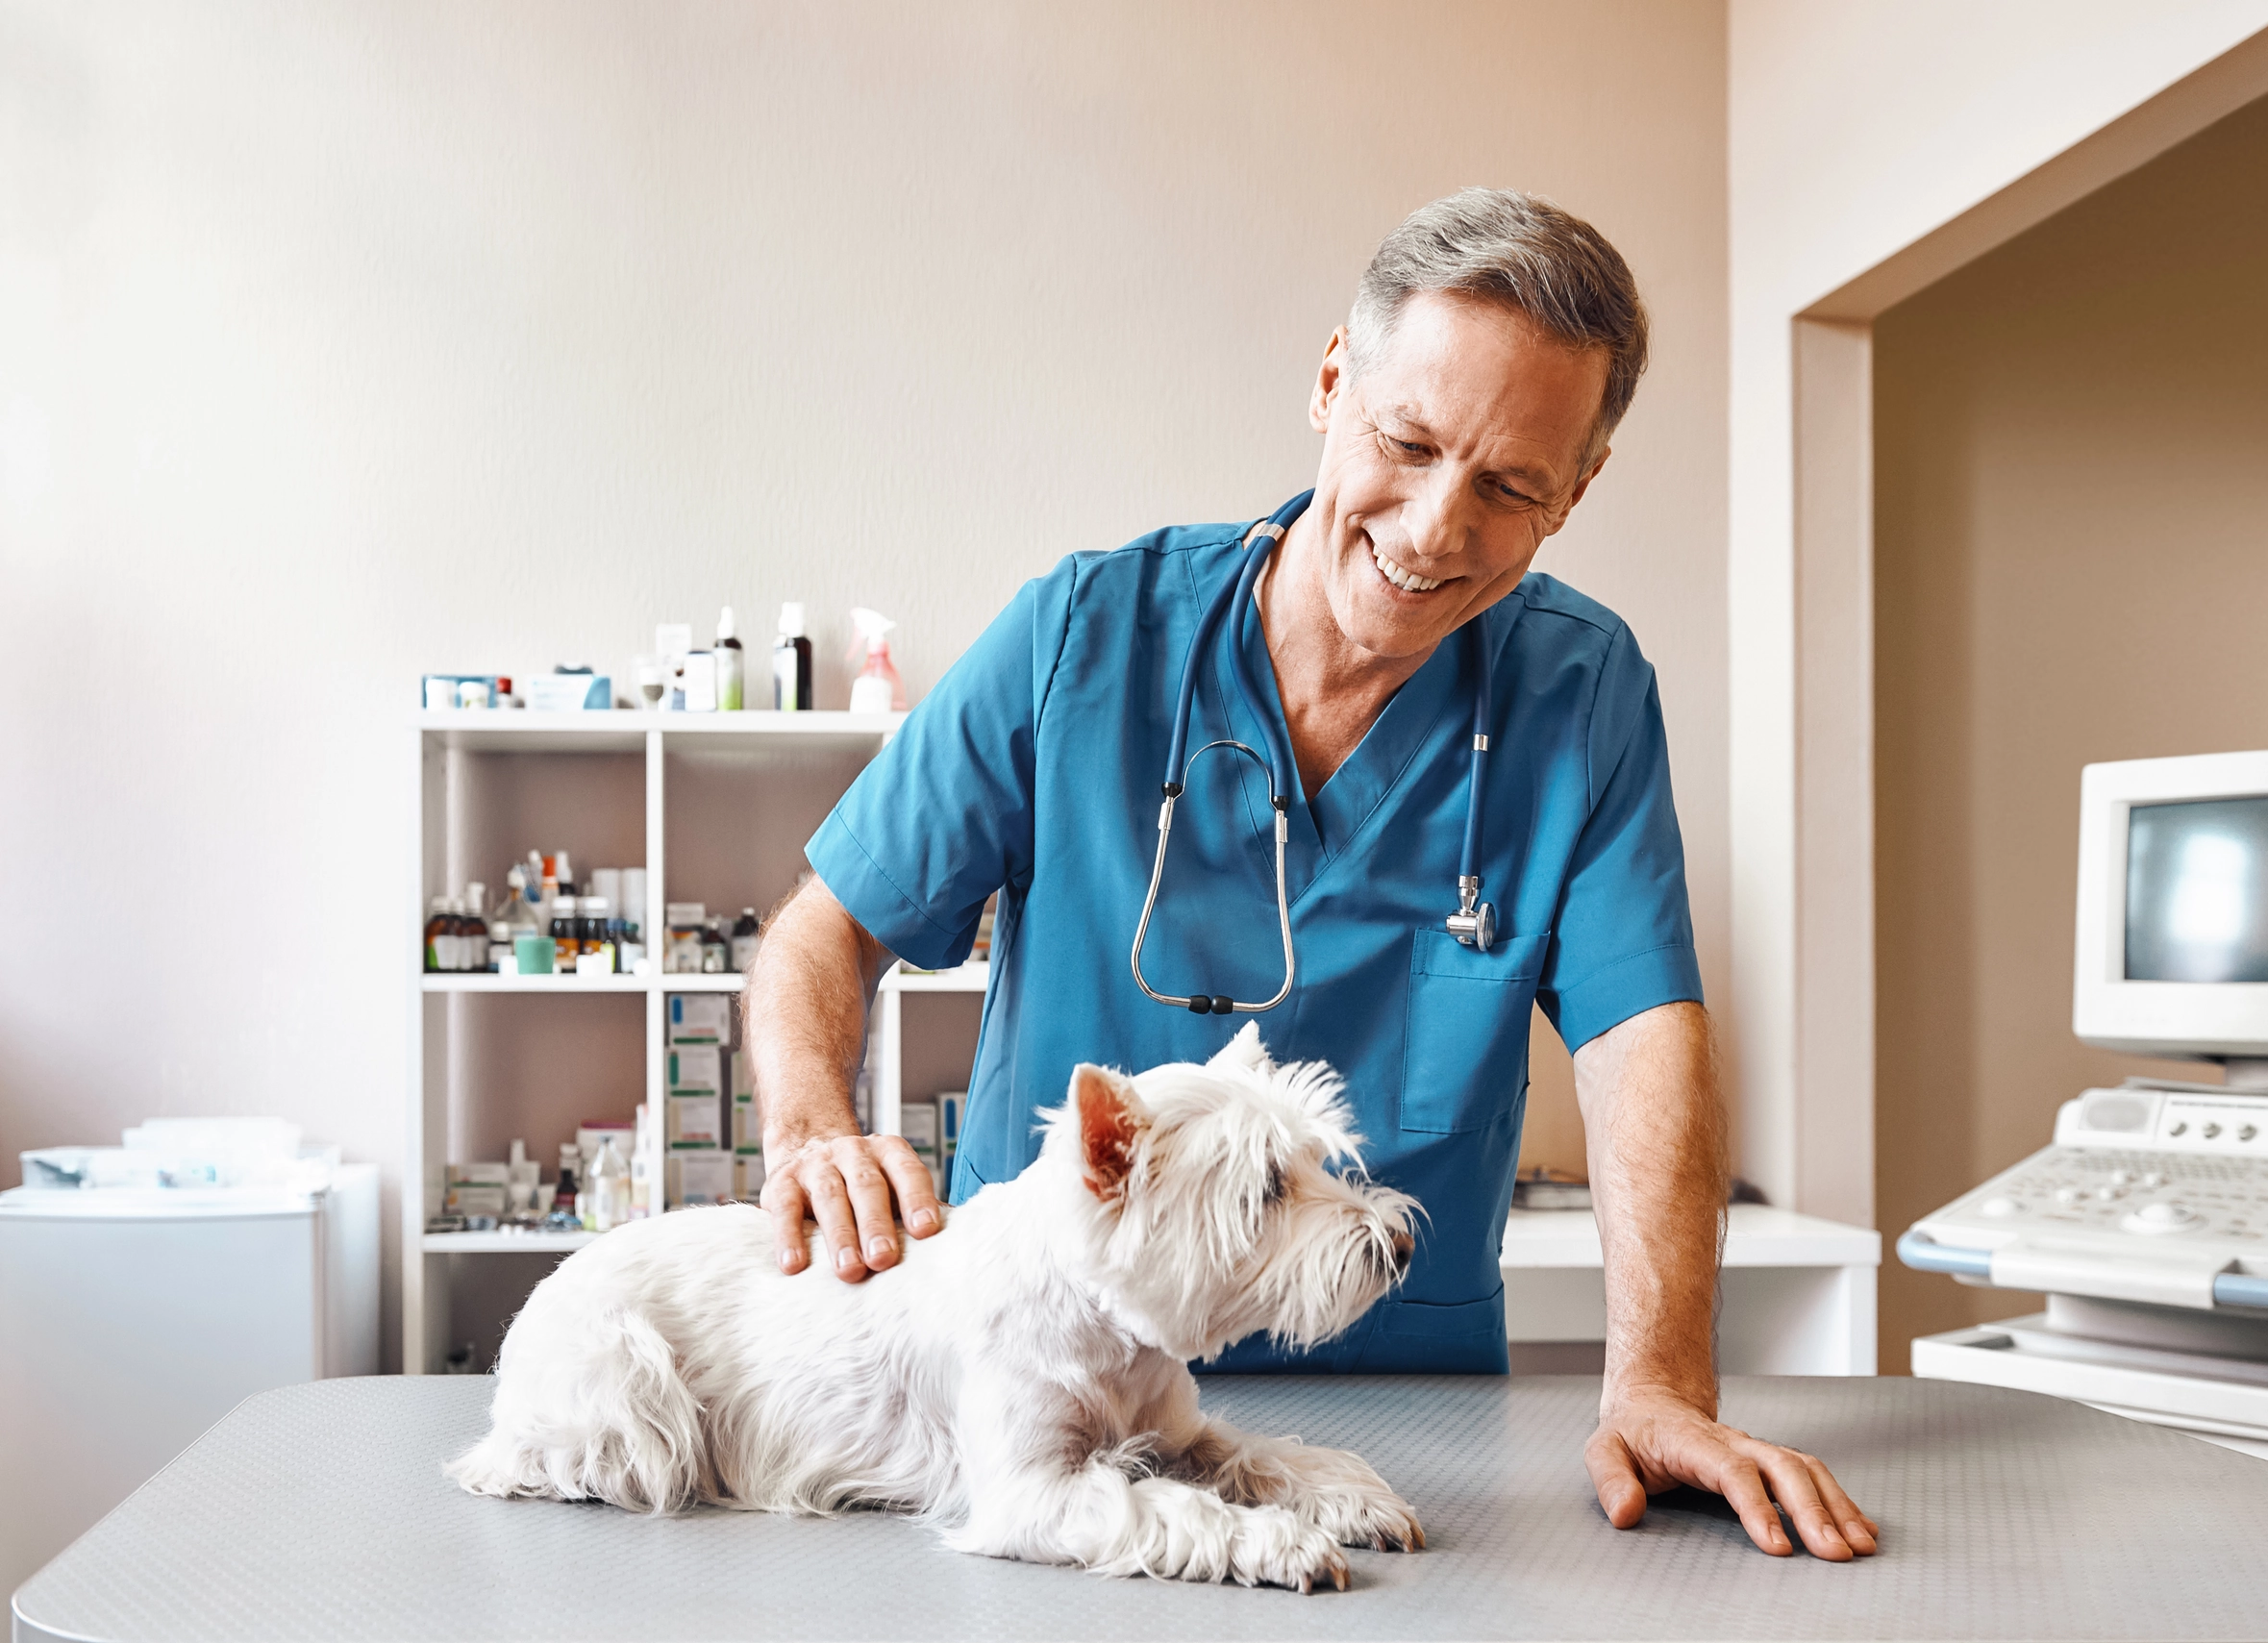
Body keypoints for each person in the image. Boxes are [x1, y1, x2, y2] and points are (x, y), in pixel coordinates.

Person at [744, 188, 1877, 1560]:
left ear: (1579, 487)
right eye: (1407, 442)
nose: (1438, 529)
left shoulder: (1580, 698)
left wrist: (1660, 1386)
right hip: (1043, 1390)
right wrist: (813, 1127)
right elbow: (826, 931)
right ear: (1334, 378)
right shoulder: (1083, 639)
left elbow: (1645, 1040)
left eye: (1514, 485)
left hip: (1401, 1406)